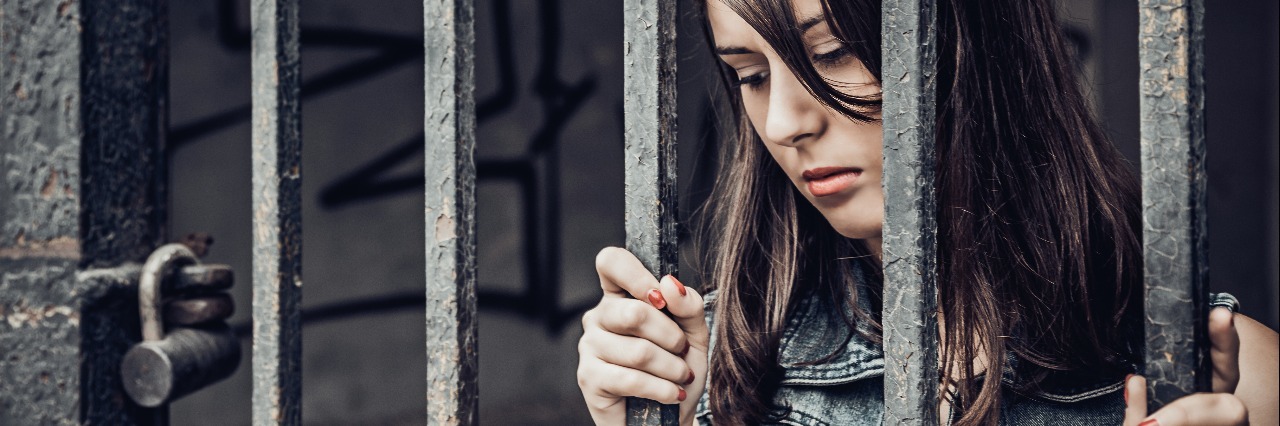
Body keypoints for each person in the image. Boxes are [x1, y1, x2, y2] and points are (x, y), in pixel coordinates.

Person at [576, 0, 1280, 424]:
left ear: (970, 41)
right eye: (751, 76)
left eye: (835, 51)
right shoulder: (729, 362)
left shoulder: (1233, 377)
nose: (785, 122)